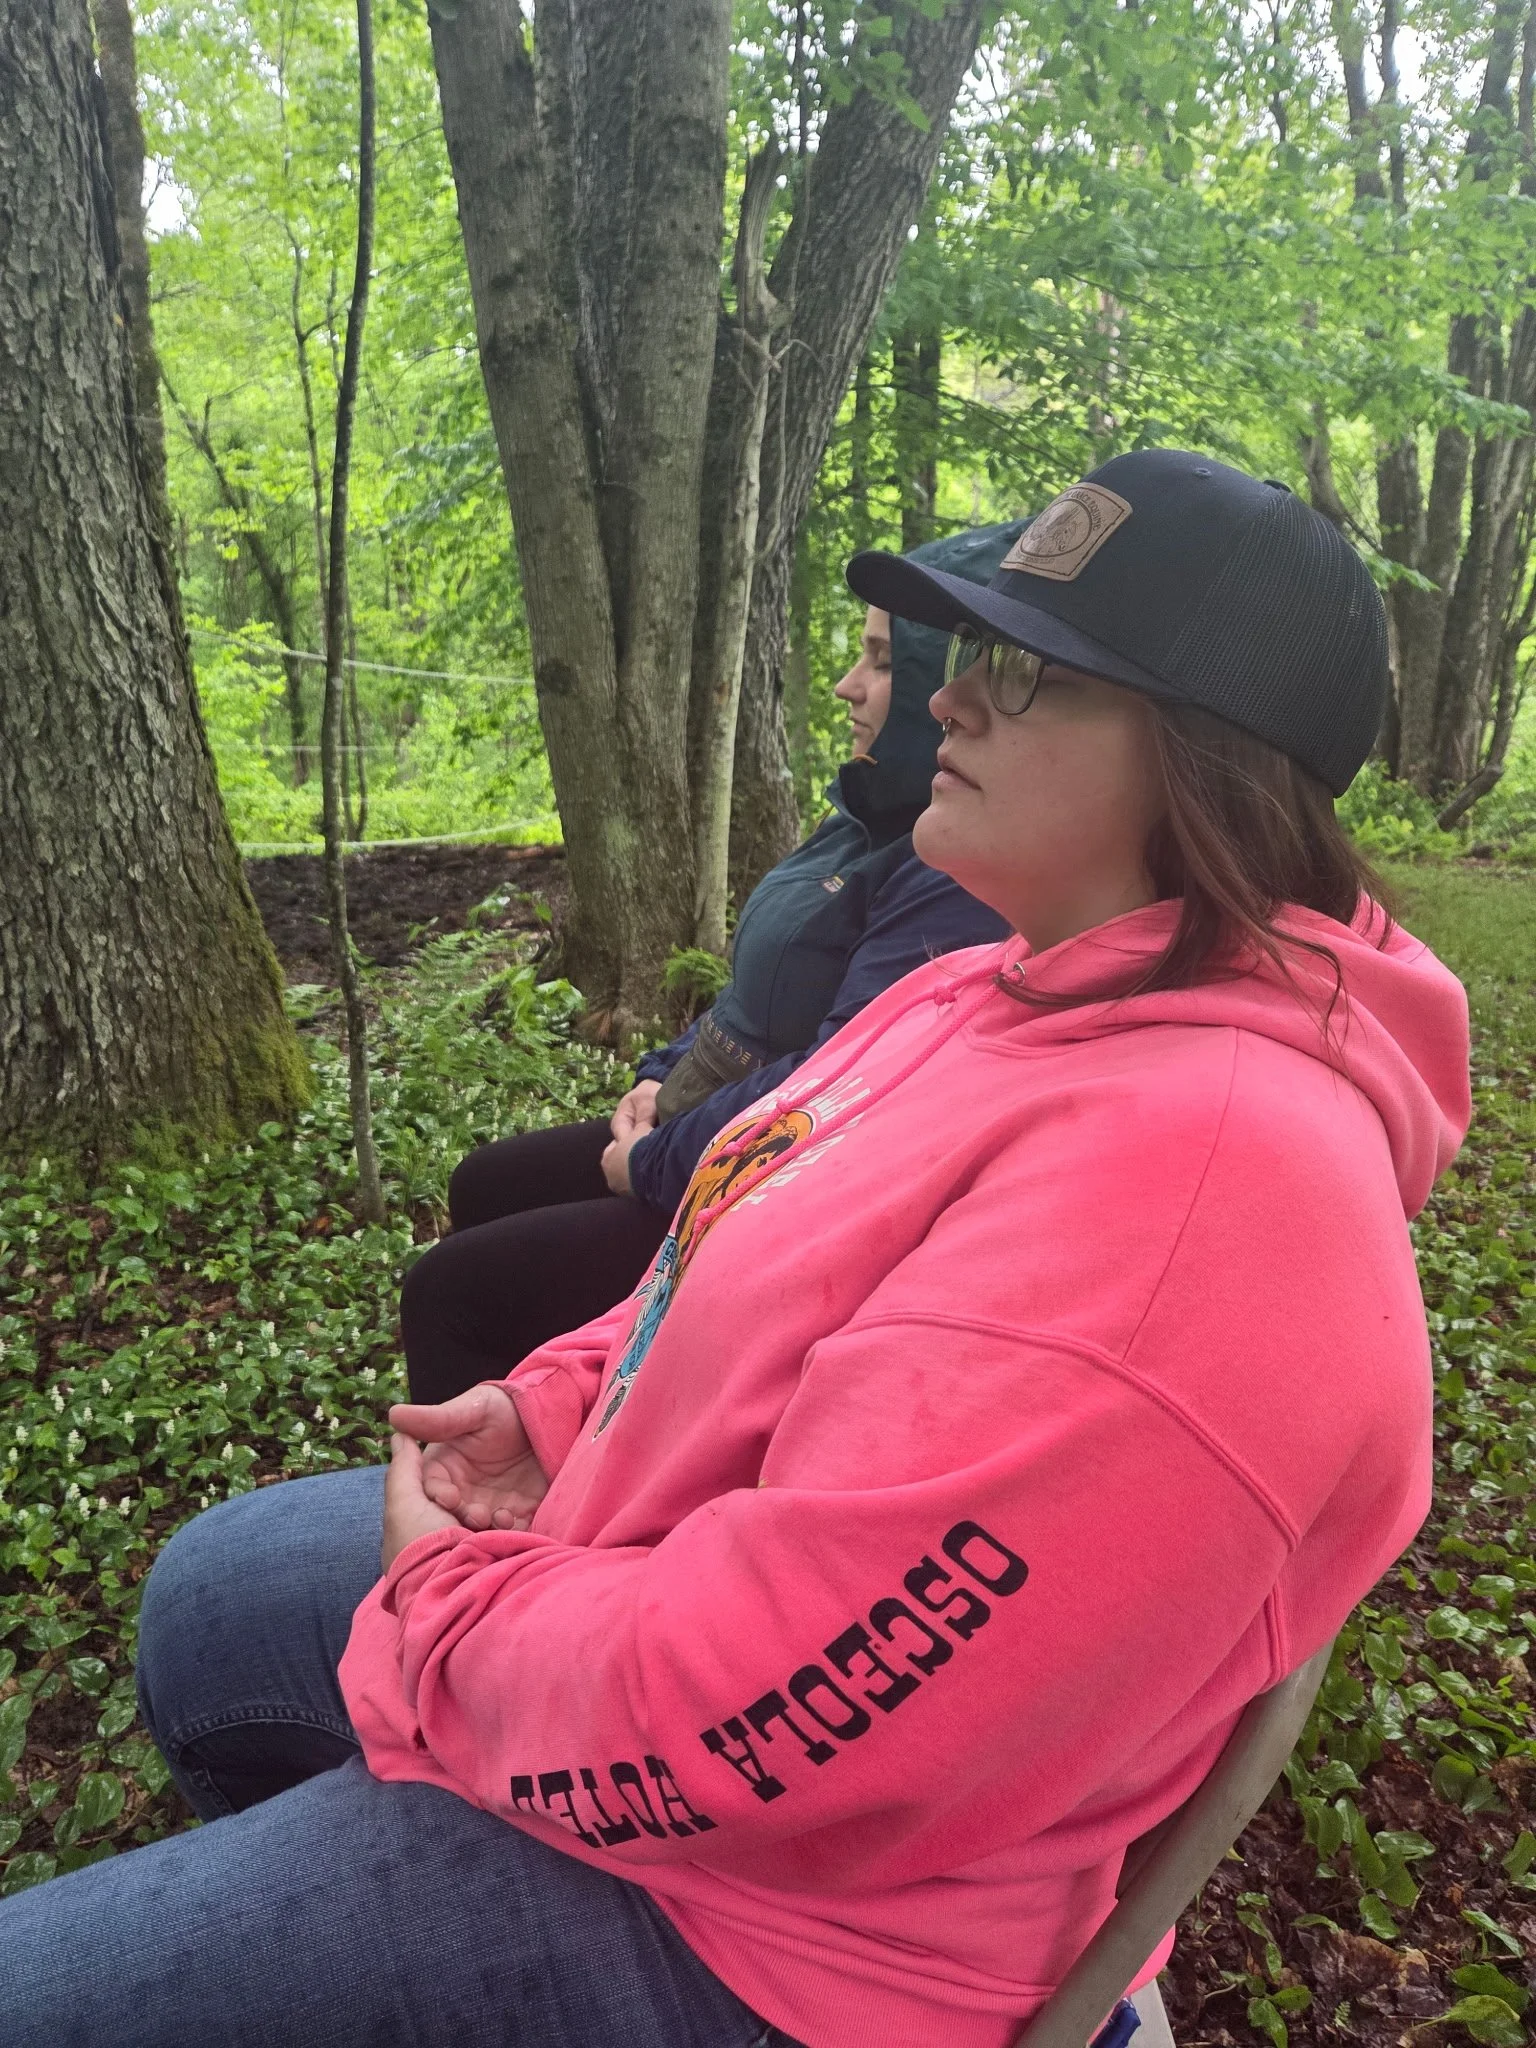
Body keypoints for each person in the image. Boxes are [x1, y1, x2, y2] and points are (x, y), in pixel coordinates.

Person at [0, 450, 1471, 2048]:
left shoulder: (1201, 1198)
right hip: (646, 1607)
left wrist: (455, 1620)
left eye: (1026, 676)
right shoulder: (1005, 988)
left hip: (791, 1942)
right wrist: (558, 1411)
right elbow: (735, 1246)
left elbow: (782, 1732)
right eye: (963, 660)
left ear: (1209, 759)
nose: (952, 705)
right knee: (212, 1604)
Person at [400, 523, 1018, 1405]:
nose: (847, 685)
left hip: (753, 1188)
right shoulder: (862, 816)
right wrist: (657, 1078)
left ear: (945, 682)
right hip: (693, 1124)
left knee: (451, 1292)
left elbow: (842, 1080)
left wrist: (651, 1163)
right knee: (485, 1181)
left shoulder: (948, 869)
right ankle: (562, 1405)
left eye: (881, 661)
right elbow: (752, 995)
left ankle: (499, 1495)